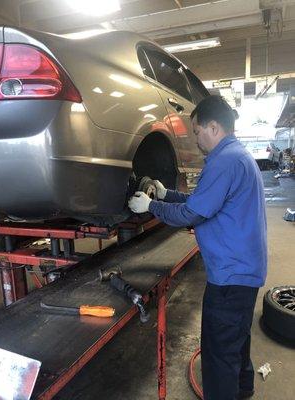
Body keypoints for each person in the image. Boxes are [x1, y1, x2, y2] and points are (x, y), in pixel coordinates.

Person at [128, 95, 267, 400]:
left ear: (214, 127)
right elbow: (201, 202)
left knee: (218, 356)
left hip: (230, 276)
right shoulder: (237, 156)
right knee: (236, 339)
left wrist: (151, 205)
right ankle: (245, 388)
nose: (196, 139)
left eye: (197, 131)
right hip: (245, 271)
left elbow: (192, 214)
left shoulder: (225, 161)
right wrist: (166, 194)